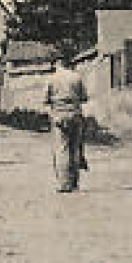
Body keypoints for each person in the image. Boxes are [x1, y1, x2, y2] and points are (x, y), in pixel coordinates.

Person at [45, 65, 89, 193]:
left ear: (57, 64)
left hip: (59, 116)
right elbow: (84, 98)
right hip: (75, 115)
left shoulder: (51, 79)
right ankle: (74, 184)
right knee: (75, 149)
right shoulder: (77, 77)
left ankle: (64, 184)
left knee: (62, 149)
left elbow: (45, 100)